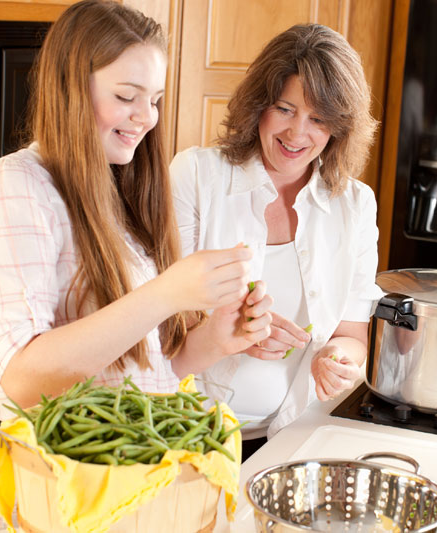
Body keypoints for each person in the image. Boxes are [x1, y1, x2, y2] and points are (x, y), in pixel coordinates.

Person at [0, 0, 273, 430]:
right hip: (67, 486)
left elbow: (142, 375)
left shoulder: (121, 190)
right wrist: (166, 294)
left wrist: (216, 339)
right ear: (69, 88)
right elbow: (18, 382)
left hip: (141, 470)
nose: (146, 118)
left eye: (155, 99)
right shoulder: (15, 189)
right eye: (126, 96)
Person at [170, 23, 383, 458]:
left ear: (339, 128)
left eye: (318, 119)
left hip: (298, 438)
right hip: (189, 436)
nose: (297, 134)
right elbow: (160, 323)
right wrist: (233, 332)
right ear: (259, 104)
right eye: (285, 109)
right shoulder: (196, 176)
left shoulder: (356, 205)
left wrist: (337, 360)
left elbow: (351, 335)